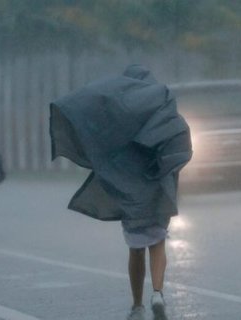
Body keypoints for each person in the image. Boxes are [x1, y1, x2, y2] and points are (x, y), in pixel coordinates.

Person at [49, 64, 192, 320]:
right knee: (158, 241)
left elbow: (100, 139)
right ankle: (157, 293)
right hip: (158, 186)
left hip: (130, 190)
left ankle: (137, 306)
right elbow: (176, 138)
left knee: (136, 247)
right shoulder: (161, 103)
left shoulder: (118, 114)